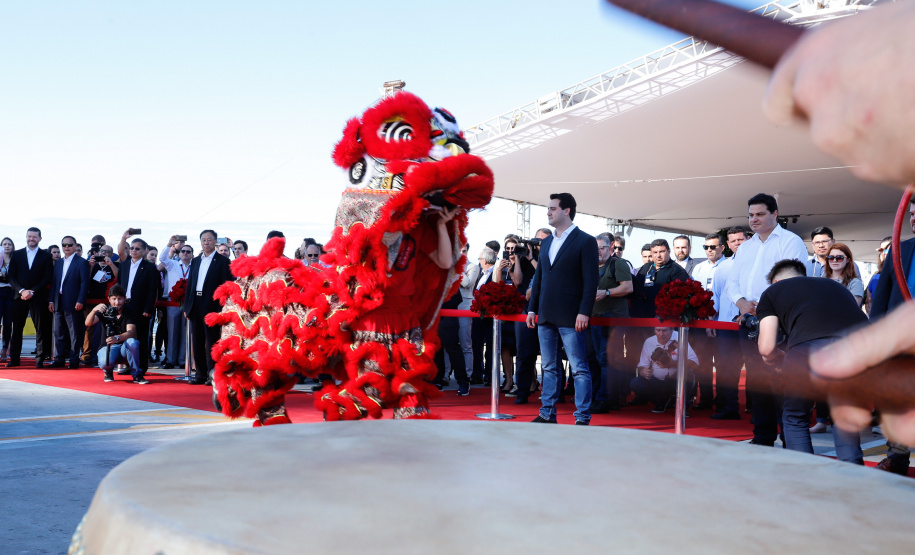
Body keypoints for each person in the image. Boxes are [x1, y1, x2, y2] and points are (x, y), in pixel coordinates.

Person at [763, 0, 915, 449]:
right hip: (875, 354)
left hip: (843, 354)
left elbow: (769, 348)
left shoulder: (789, 289)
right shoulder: (897, 255)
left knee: (802, 415)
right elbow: (881, 302)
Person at [756, 259, 864, 464]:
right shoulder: (834, 285)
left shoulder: (772, 292)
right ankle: (854, 478)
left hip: (808, 349)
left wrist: (777, 360)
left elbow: (766, 347)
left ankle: (805, 476)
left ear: (776, 281)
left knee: (795, 416)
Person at [723, 193, 807, 446]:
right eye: (750, 215)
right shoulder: (746, 247)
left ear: (775, 214)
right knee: (758, 381)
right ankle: (763, 436)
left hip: (778, 321)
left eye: (760, 214)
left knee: (780, 380)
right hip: (747, 319)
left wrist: (766, 306)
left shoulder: (790, 242)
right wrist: (741, 303)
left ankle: (790, 436)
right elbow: (732, 282)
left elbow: (795, 281)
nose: (754, 219)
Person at [527, 192, 598, 425]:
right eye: (548, 209)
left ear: (566, 210)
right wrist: (531, 309)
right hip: (545, 315)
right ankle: (547, 413)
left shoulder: (585, 241)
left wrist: (584, 311)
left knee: (578, 368)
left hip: (571, 316)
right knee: (548, 367)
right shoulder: (546, 242)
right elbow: (539, 278)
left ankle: (582, 417)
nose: (548, 212)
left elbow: (591, 280)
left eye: (553, 208)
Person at [183, 229, 233, 385]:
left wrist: (221, 309)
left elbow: (226, 286)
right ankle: (200, 374)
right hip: (195, 303)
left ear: (215, 241)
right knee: (197, 340)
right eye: (203, 240)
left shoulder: (223, 261)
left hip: (211, 304)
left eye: (209, 239)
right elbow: (190, 284)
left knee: (212, 341)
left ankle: (213, 374)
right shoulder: (196, 260)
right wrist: (187, 306)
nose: (206, 242)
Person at [709, 226, 748, 420]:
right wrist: (711, 323)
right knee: (726, 369)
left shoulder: (757, 264)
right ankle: (729, 407)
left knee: (756, 367)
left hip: (751, 324)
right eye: (733, 241)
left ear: (748, 240)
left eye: (740, 240)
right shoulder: (722, 267)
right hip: (725, 325)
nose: (737, 244)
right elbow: (715, 296)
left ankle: (758, 410)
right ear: (728, 245)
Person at [590, 232, 632, 413]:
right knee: (595, 360)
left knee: (607, 360)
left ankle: (606, 399)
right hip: (594, 319)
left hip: (612, 319)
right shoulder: (591, 266)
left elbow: (628, 287)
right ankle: (598, 396)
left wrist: (606, 293)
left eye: (602, 248)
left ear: (611, 246)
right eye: (596, 248)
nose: (598, 251)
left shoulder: (618, 264)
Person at [689, 232, 727, 410]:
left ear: (722, 247)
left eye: (713, 247)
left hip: (723, 323)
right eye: (706, 247)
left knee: (723, 364)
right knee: (703, 363)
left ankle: (723, 401)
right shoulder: (699, 268)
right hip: (702, 324)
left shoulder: (729, 265)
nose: (709, 250)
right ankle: (705, 400)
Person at [6, 227, 54, 367]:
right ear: (26, 237)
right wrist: (22, 291)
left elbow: (47, 277)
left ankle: (39, 360)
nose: (31, 239)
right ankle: (14, 360)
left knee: (40, 329)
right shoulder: (17, 254)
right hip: (19, 297)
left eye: (34, 237)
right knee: (17, 330)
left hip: (37, 297)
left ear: (40, 238)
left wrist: (32, 291)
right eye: (29, 236)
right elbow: (11, 276)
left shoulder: (46, 256)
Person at [117, 237, 159, 379]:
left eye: (137, 248)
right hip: (124, 306)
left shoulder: (150, 267)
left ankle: (141, 367)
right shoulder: (124, 265)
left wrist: (148, 309)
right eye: (132, 248)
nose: (134, 251)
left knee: (141, 337)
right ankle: (129, 365)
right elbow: (118, 286)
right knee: (126, 337)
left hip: (141, 307)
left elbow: (153, 290)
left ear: (144, 250)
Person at [630, 327, 699, 414]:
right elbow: (642, 365)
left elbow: (695, 362)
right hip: (657, 382)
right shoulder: (649, 341)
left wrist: (672, 363)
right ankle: (661, 402)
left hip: (676, 381)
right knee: (635, 383)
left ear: (672, 329)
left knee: (688, 373)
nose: (661, 334)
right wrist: (643, 371)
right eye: (658, 330)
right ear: (654, 330)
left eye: (664, 330)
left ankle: (682, 407)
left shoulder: (680, 337)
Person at [85, 285, 142, 383]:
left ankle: (137, 374)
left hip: (125, 347)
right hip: (108, 347)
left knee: (133, 342)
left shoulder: (129, 310)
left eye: (120, 299)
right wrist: (94, 310)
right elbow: (88, 323)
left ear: (124, 299)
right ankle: (108, 371)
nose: (117, 302)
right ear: (109, 299)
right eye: (114, 299)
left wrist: (117, 338)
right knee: (104, 363)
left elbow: (131, 332)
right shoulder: (105, 310)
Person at [49, 236, 90, 369]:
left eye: (69, 244)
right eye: (64, 245)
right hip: (58, 301)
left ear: (75, 245)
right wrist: (51, 300)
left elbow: (85, 283)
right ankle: (59, 359)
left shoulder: (82, 262)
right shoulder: (59, 263)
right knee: (58, 332)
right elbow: (55, 283)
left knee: (74, 333)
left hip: (73, 302)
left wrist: (80, 300)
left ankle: (73, 360)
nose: (66, 247)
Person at [158, 239, 193, 370]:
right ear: (179, 253)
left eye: (188, 252)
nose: (185, 253)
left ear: (192, 255)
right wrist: (169, 245)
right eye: (183, 251)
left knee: (186, 332)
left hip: (188, 302)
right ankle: (171, 359)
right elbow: (162, 258)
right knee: (172, 331)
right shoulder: (172, 264)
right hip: (173, 302)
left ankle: (183, 360)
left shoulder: (195, 266)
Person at [82, 245, 118, 367]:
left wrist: (111, 264)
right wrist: (91, 266)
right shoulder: (92, 265)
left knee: (103, 330)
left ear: (112, 254)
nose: (104, 254)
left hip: (107, 303)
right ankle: (86, 354)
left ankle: (100, 354)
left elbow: (118, 277)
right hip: (91, 301)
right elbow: (85, 279)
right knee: (89, 328)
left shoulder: (114, 265)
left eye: (107, 252)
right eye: (102, 252)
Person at [470, 247, 497, 384]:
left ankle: (489, 375)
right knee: (476, 345)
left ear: (485, 260)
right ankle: (477, 373)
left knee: (491, 348)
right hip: (478, 315)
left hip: (489, 316)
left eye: (480, 258)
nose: (479, 261)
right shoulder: (481, 274)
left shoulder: (495, 273)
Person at [823, 243, 864, 307]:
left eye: (839, 258)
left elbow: (852, 307)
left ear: (848, 260)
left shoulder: (855, 282)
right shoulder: (822, 280)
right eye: (830, 257)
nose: (834, 260)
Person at [864, 236, 892, 315]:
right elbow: (867, 300)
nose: (883, 253)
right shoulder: (876, 276)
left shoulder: (905, 273)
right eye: (881, 250)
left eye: (887, 250)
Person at [0, 237, 14, 363]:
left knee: (8, 322)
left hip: (11, 292)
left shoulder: (15, 259)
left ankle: (5, 349)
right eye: (4, 244)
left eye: (9, 244)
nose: (7, 246)